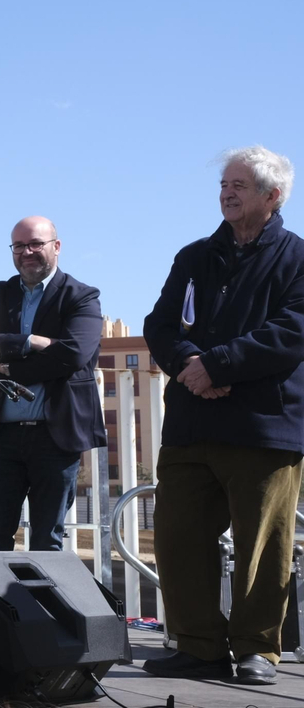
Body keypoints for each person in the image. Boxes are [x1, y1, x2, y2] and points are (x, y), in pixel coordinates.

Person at [142, 146, 304, 686]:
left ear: (272, 195)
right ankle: (197, 645)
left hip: (262, 428)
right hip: (190, 426)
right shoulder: (194, 256)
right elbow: (160, 323)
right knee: (177, 537)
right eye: (224, 184)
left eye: (239, 184)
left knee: (263, 543)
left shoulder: (298, 258)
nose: (226, 192)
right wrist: (190, 364)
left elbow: (290, 332)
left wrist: (218, 364)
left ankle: (258, 648)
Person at [0, 216, 104, 553]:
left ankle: (44, 608)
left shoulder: (82, 297)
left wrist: (7, 367)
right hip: (1, 438)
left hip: (55, 439)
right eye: (19, 246)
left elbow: (73, 354)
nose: (27, 252)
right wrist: (31, 341)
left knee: (48, 541)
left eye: (36, 244)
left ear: (56, 247)